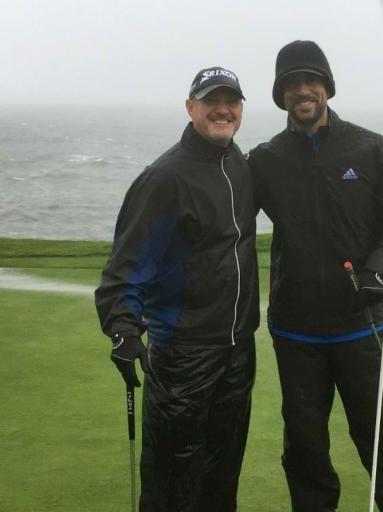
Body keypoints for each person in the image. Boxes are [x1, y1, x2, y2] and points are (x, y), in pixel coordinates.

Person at [248, 41, 383, 512]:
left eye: (311, 82)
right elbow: (229, 222)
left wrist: (377, 273)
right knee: (304, 452)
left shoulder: (369, 148)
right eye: (291, 84)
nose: (302, 91)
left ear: (326, 88)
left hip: (361, 326)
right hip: (295, 329)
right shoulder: (264, 160)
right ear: (281, 95)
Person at [95, 66, 259, 512]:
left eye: (231, 101)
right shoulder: (165, 178)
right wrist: (124, 328)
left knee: (222, 475)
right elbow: (127, 265)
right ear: (191, 108)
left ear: (241, 109)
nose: (222, 109)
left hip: (238, 349)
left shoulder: (239, 164)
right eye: (211, 101)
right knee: (173, 477)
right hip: (184, 352)